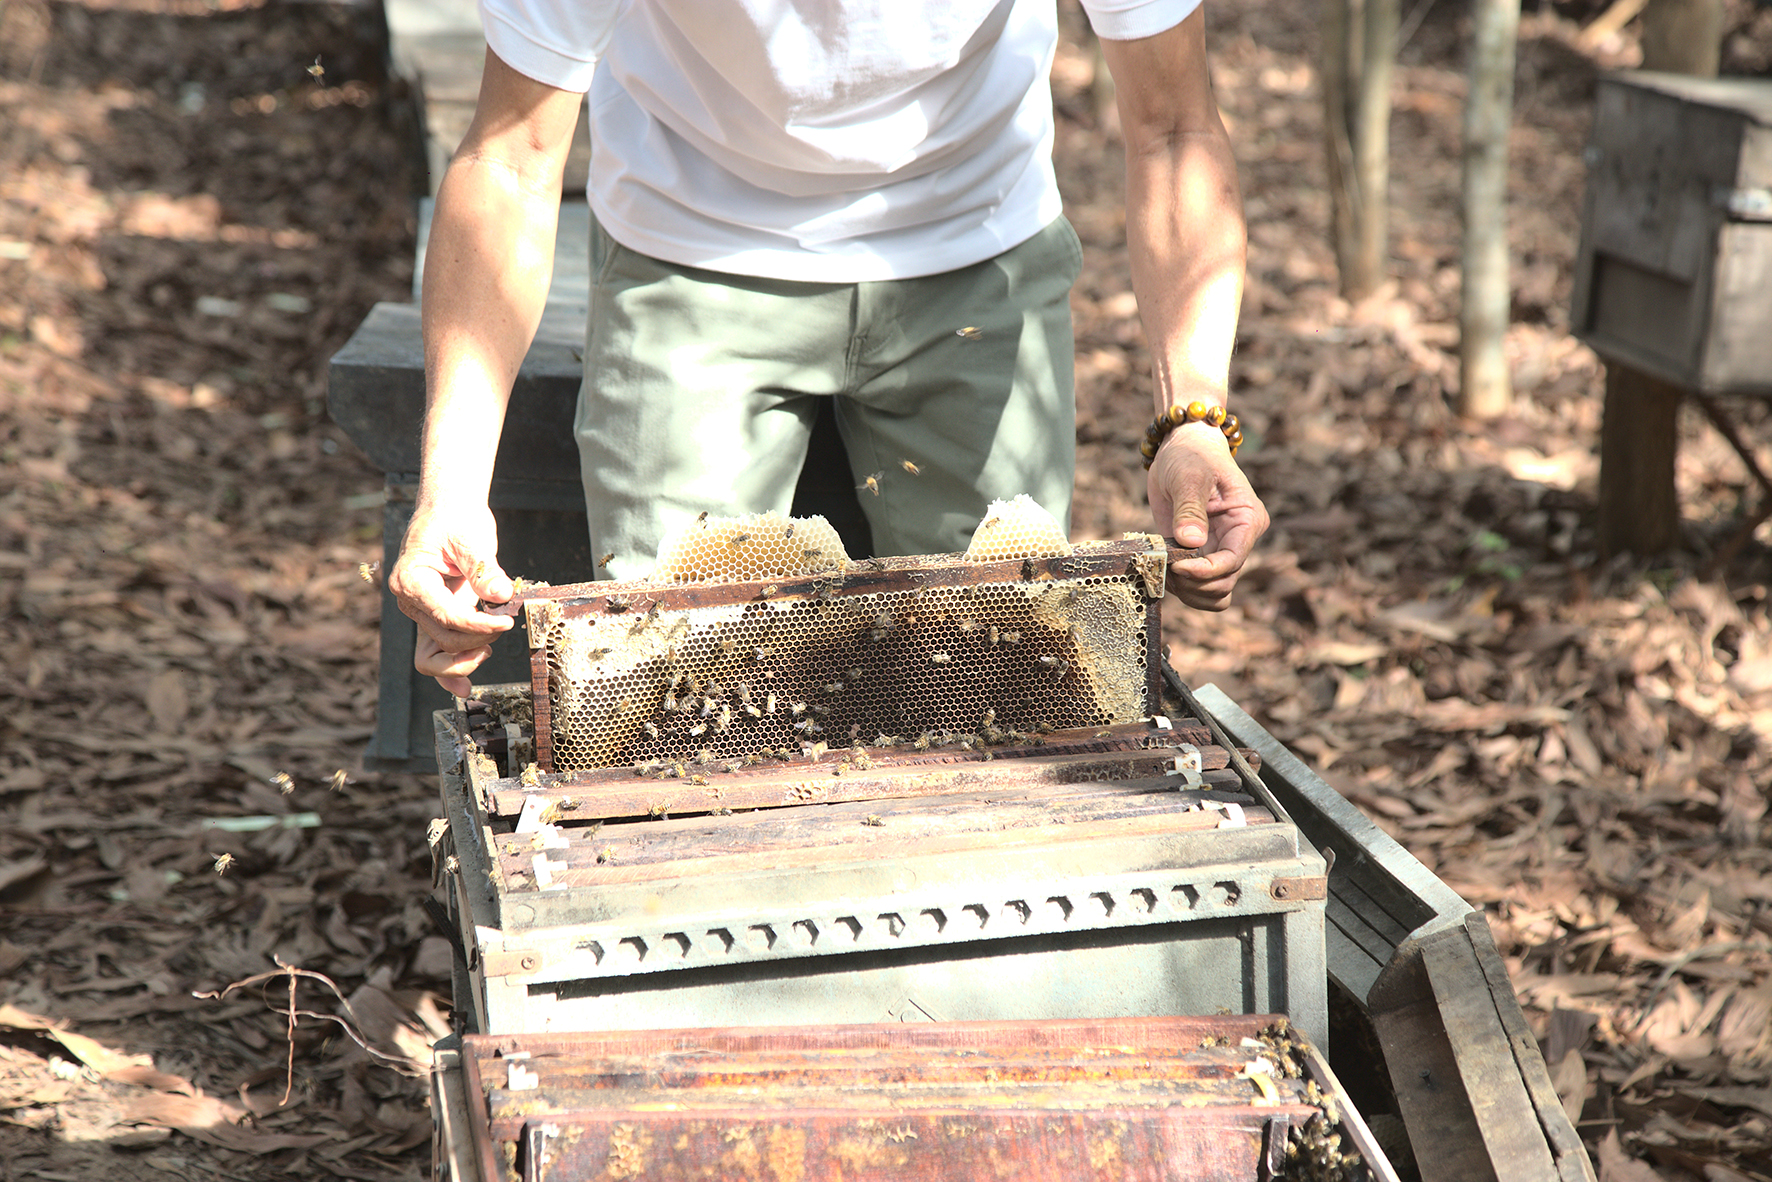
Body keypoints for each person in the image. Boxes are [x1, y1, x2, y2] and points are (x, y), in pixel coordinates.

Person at [390, 0, 1270, 698]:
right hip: (691, 248)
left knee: (1009, 675)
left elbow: (1175, 130)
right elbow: (509, 162)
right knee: (658, 686)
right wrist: (454, 491)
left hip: (976, 245)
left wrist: (1191, 421)